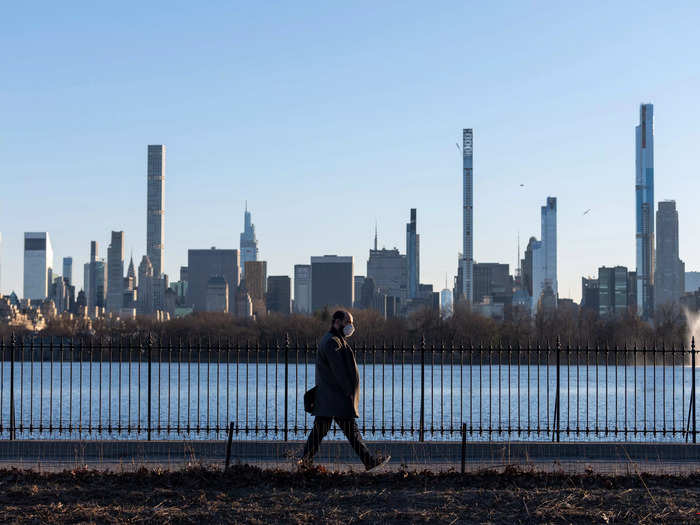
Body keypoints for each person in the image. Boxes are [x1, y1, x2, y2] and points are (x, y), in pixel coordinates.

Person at [300, 309, 390, 470]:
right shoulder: (332, 342)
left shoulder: (334, 340)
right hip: (336, 397)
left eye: (352, 322)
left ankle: (304, 463)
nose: (351, 326)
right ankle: (369, 461)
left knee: (320, 432)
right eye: (348, 322)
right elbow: (339, 370)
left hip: (329, 398)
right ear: (337, 322)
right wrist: (348, 391)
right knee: (350, 431)